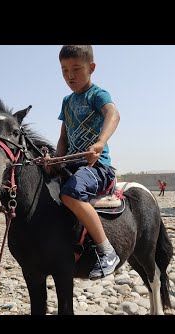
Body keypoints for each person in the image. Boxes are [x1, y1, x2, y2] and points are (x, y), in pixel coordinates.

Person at [54, 45, 120, 280]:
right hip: (72, 162)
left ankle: (107, 251)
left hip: (96, 166)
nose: (69, 76)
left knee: (69, 194)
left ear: (91, 68)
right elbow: (63, 138)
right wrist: (55, 159)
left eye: (76, 69)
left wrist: (100, 142)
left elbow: (114, 114)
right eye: (64, 70)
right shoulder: (66, 101)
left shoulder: (97, 94)